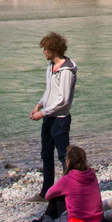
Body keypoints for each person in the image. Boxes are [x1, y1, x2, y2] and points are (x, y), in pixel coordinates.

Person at [29, 32, 77, 199]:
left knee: (64, 156)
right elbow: (49, 91)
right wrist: (39, 105)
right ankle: (46, 192)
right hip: (49, 117)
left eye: (46, 49)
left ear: (54, 50)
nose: (44, 52)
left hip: (61, 120)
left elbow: (63, 101)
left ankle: (69, 191)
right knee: (46, 153)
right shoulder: (51, 66)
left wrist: (43, 113)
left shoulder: (67, 71)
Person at [43, 145, 104, 222]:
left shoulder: (67, 179)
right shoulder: (91, 174)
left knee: (56, 197)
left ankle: (45, 219)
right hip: (98, 219)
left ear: (68, 161)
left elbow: (47, 196)